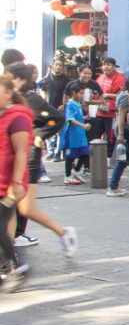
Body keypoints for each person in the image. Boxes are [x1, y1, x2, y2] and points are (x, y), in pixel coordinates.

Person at [5, 63, 78, 255]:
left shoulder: (32, 99)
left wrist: (40, 135)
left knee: (25, 208)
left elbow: (56, 118)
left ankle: (63, 233)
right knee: (11, 208)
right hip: (10, 160)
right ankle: (8, 256)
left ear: (21, 79)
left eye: (10, 76)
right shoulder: (8, 99)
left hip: (29, 157)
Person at [0, 76, 35, 291]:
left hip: (10, 184)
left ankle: (13, 268)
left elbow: (22, 152)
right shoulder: (3, 116)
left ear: (8, 93)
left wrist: (17, 183)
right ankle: (8, 268)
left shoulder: (18, 118)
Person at [108, 73, 129, 196]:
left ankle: (113, 186)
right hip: (126, 130)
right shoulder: (125, 96)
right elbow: (121, 115)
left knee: (123, 159)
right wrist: (121, 134)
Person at [40, 56, 70, 161]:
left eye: (60, 65)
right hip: (49, 109)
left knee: (61, 133)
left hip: (61, 109)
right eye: (56, 65)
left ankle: (58, 153)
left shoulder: (67, 80)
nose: (58, 67)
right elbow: (43, 93)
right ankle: (50, 152)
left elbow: (68, 94)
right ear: (53, 66)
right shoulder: (47, 79)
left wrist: (64, 105)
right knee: (50, 131)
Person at [61, 82, 90, 185]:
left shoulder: (78, 104)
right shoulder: (70, 105)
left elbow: (77, 117)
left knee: (86, 153)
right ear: (74, 93)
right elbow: (70, 119)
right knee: (70, 156)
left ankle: (76, 171)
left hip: (80, 135)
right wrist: (83, 125)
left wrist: (85, 118)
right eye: (80, 93)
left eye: (83, 94)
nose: (82, 96)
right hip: (71, 135)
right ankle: (67, 176)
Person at [95, 57, 124, 156]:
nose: (105, 67)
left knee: (111, 136)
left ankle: (108, 157)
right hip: (99, 111)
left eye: (108, 65)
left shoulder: (120, 78)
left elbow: (122, 96)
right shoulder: (100, 77)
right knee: (96, 135)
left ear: (114, 67)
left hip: (111, 114)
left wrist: (108, 95)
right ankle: (96, 157)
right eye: (104, 64)